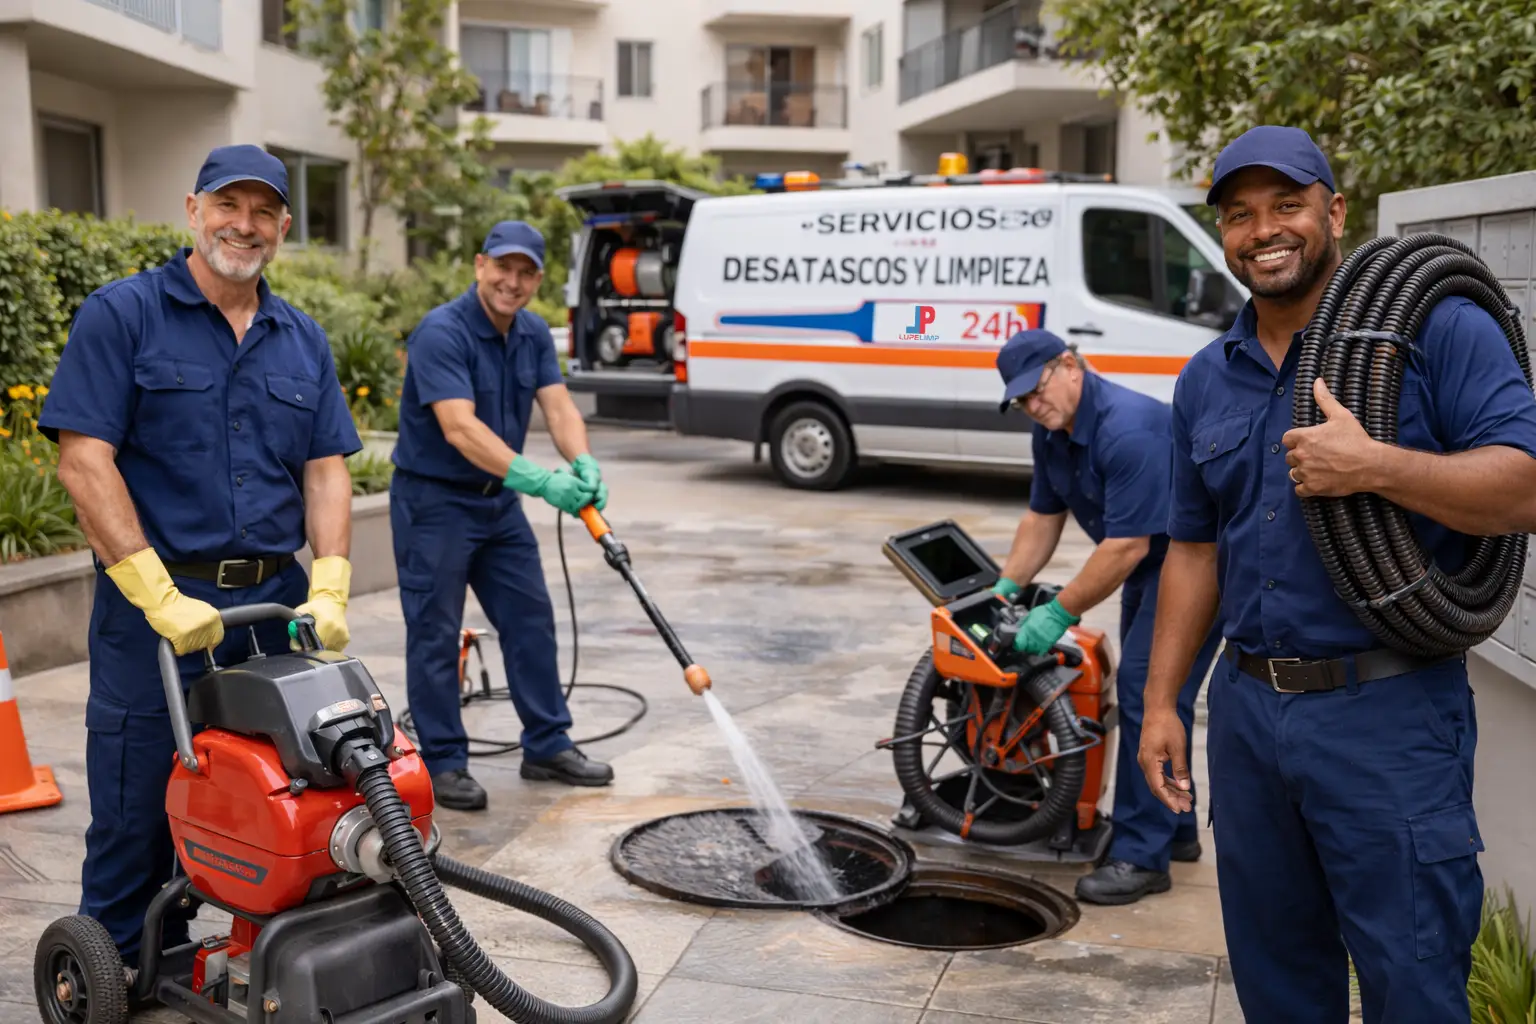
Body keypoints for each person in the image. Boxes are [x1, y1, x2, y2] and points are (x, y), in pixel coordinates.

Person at [1139, 125, 1536, 1023]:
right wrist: (1163, 702)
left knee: (1413, 986)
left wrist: (1375, 467)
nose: (1263, 231)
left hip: (1387, 713)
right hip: (1247, 714)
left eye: (1287, 204)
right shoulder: (1206, 379)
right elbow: (1194, 548)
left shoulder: (1436, 330)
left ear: (1335, 211)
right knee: (1277, 983)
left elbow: (1525, 486)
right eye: (1239, 215)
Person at [38, 144, 360, 965]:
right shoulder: (124, 315)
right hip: (156, 608)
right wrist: (155, 593)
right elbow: (84, 460)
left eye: (262, 212)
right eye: (227, 205)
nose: (243, 226)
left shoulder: (301, 339)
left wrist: (329, 583)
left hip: (273, 611)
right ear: (193, 210)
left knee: (281, 790)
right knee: (137, 799)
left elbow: (325, 469)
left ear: (283, 227)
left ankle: (260, 948)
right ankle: (117, 960)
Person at [990, 329, 1223, 905]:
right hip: (1152, 566)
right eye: (1021, 400)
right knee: (1153, 692)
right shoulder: (1052, 431)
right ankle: (1175, 831)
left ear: (1070, 365)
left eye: (1037, 390)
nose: (1033, 406)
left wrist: (1057, 612)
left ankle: (1142, 857)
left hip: (1197, 565)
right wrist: (1004, 589)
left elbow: (1124, 547)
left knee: (1151, 693)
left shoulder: (1127, 429)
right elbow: (1042, 519)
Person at [390, 220, 613, 811]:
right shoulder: (442, 332)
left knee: (530, 618)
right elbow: (459, 428)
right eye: (503, 268)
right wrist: (541, 480)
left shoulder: (532, 332)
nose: (512, 282)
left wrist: (582, 459)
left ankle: (547, 744)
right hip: (435, 503)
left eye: (525, 273)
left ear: (537, 280)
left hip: (498, 504)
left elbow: (558, 407)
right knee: (435, 632)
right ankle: (443, 762)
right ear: (479, 265)